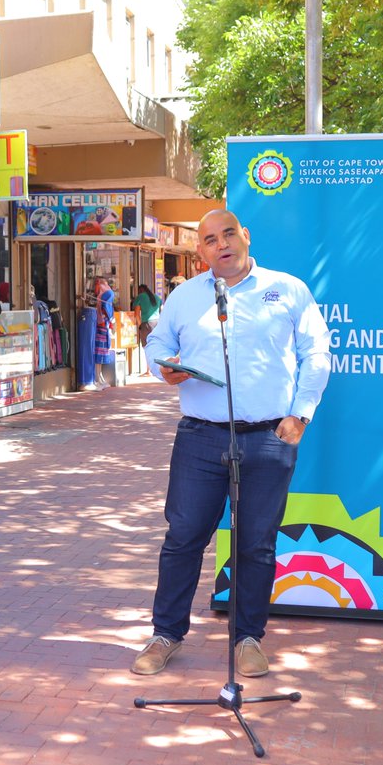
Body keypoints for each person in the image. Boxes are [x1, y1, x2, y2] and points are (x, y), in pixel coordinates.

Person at [133, 209, 330, 679]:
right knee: (183, 539)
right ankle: (166, 634)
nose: (221, 244)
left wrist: (300, 414)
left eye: (228, 234)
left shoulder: (289, 289)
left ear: (245, 236)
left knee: (256, 543)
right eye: (209, 240)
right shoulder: (184, 296)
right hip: (201, 437)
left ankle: (247, 639)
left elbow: (316, 351)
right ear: (199, 251)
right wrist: (163, 366)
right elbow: (156, 344)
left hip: (268, 438)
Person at [77, 277, 114, 391]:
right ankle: (94, 379)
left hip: (101, 324)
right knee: (98, 353)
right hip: (101, 325)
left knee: (100, 353)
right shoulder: (106, 294)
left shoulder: (103, 295)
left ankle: (96, 378)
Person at [132, 283, 161, 348]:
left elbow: (136, 314)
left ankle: (150, 358)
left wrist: (140, 325)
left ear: (139, 291)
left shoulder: (140, 297)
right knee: (156, 345)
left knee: (147, 346)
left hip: (147, 324)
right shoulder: (156, 297)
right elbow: (161, 310)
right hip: (157, 323)